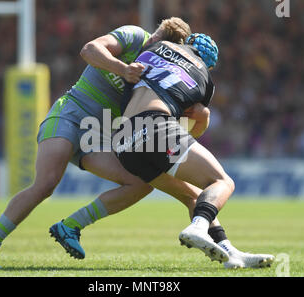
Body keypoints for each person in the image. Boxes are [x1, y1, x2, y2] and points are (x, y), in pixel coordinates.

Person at [55, 34, 275, 268]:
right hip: (155, 128)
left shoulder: (154, 49)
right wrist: (195, 129)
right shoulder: (205, 79)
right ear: (207, 63)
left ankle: (229, 253)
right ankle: (198, 227)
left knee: (193, 196)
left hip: (123, 142)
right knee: (221, 181)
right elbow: (197, 121)